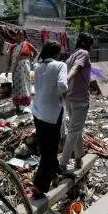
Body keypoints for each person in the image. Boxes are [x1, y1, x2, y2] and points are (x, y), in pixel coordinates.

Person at [30, 41, 69, 196]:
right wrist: (64, 98)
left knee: (46, 147)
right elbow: (62, 86)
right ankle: (39, 186)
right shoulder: (61, 65)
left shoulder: (37, 66)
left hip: (37, 111)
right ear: (56, 53)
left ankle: (56, 173)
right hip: (52, 112)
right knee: (49, 150)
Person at [60, 32, 94, 176]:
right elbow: (77, 69)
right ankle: (63, 164)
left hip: (69, 99)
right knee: (74, 131)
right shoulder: (84, 54)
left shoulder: (71, 56)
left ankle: (79, 158)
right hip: (80, 100)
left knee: (76, 129)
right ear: (89, 44)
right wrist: (66, 81)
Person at [9, 40, 35, 113]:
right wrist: (8, 68)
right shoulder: (13, 46)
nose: (19, 37)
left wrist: (31, 59)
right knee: (16, 85)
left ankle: (28, 105)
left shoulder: (27, 44)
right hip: (16, 67)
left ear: (23, 36)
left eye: (21, 35)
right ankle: (17, 106)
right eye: (18, 35)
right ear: (16, 37)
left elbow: (35, 51)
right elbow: (10, 58)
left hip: (25, 67)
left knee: (26, 84)